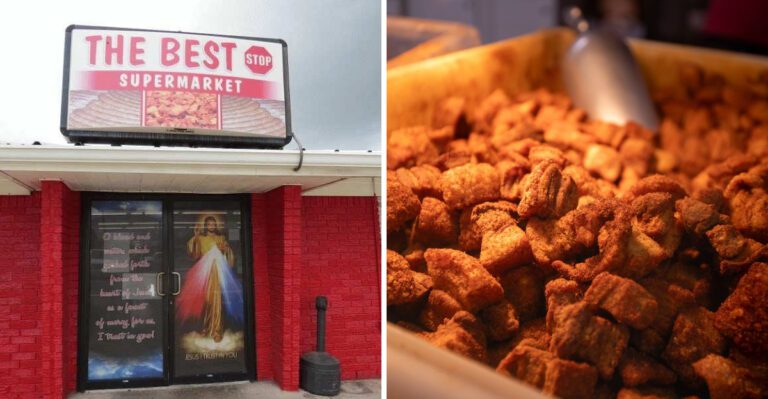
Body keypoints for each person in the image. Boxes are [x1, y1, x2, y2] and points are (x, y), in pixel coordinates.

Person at [176, 215, 242, 343]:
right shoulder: (200, 238)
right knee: (206, 301)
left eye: (213, 224)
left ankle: (216, 330)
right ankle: (206, 328)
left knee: (216, 301)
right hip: (204, 272)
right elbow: (194, 253)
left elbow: (229, 256)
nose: (211, 226)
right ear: (205, 225)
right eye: (209, 224)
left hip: (217, 272)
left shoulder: (221, 238)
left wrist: (225, 250)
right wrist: (195, 237)